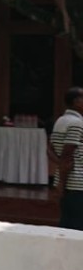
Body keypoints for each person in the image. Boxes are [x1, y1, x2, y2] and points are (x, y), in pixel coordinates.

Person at [48, 86, 83, 230]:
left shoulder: (61, 120)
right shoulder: (77, 123)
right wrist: (62, 183)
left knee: (66, 225)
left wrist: (59, 165)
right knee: (77, 228)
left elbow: (49, 149)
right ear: (77, 102)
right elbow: (68, 156)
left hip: (65, 181)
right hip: (77, 183)